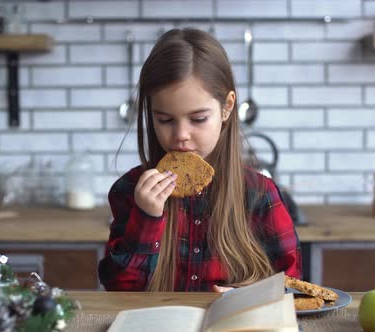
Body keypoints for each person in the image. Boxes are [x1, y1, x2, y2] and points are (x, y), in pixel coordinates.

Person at [98, 28, 301, 292]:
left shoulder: (260, 195)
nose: (181, 135)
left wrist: (249, 296)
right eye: (165, 120)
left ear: (227, 107)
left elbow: (295, 288)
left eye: (198, 119)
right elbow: (117, 288)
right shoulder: (130, 191)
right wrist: (146, 219)